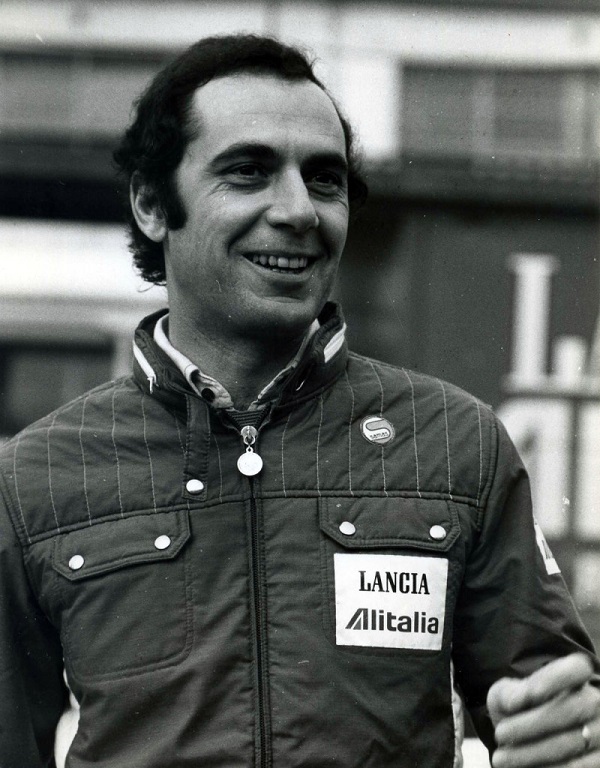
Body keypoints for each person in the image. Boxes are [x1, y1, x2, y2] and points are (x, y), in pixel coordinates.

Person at [0, 34, 598, 768]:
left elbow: (558, 715)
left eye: (324, 179)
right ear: (153, 204)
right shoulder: (32, 479)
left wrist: (571, 738)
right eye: (248, 171)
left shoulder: (455, 443)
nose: (298, 210)